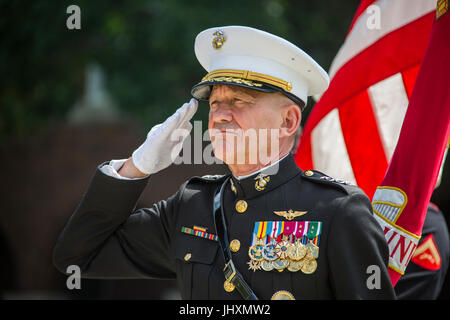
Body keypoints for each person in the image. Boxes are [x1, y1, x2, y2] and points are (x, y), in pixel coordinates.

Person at [53, 26, 396, 300]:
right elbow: (77, 257)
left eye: (239, 100)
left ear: (288, 122)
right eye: (214, 102)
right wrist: (135, 167)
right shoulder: (192, 204)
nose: (218, 116)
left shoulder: (337, 210)